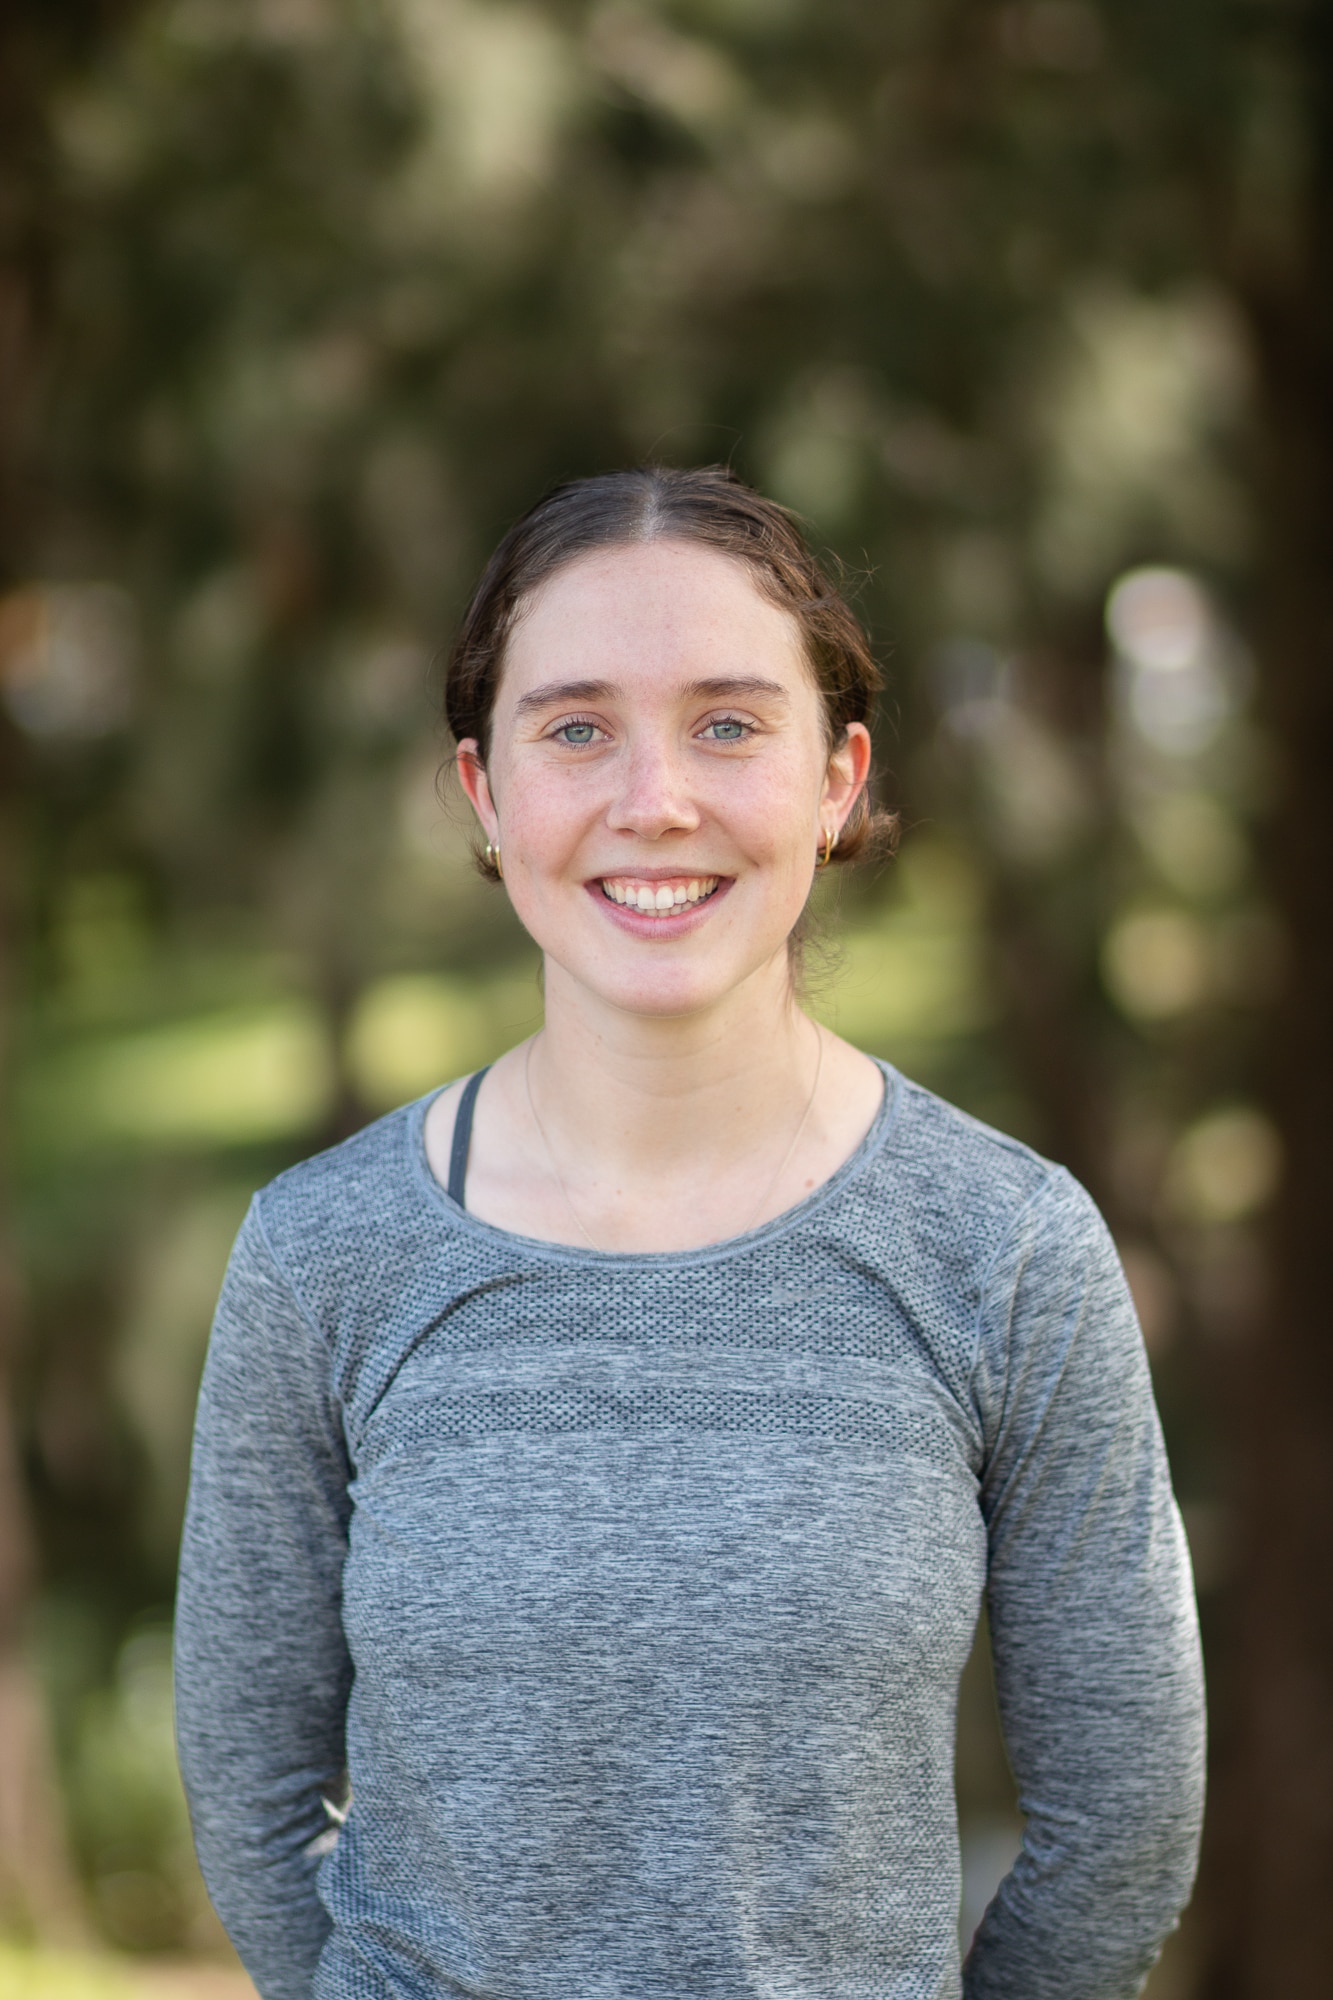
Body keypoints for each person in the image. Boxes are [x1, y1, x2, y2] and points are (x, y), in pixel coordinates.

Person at [174, 465, 1205, 2000]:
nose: (652, 798)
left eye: (728, 723)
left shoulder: (1004, 1250)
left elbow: (1119, 1825)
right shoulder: (323, 1257)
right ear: (483, 792)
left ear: (837, 779)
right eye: (575, 727)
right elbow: (253, 1796)